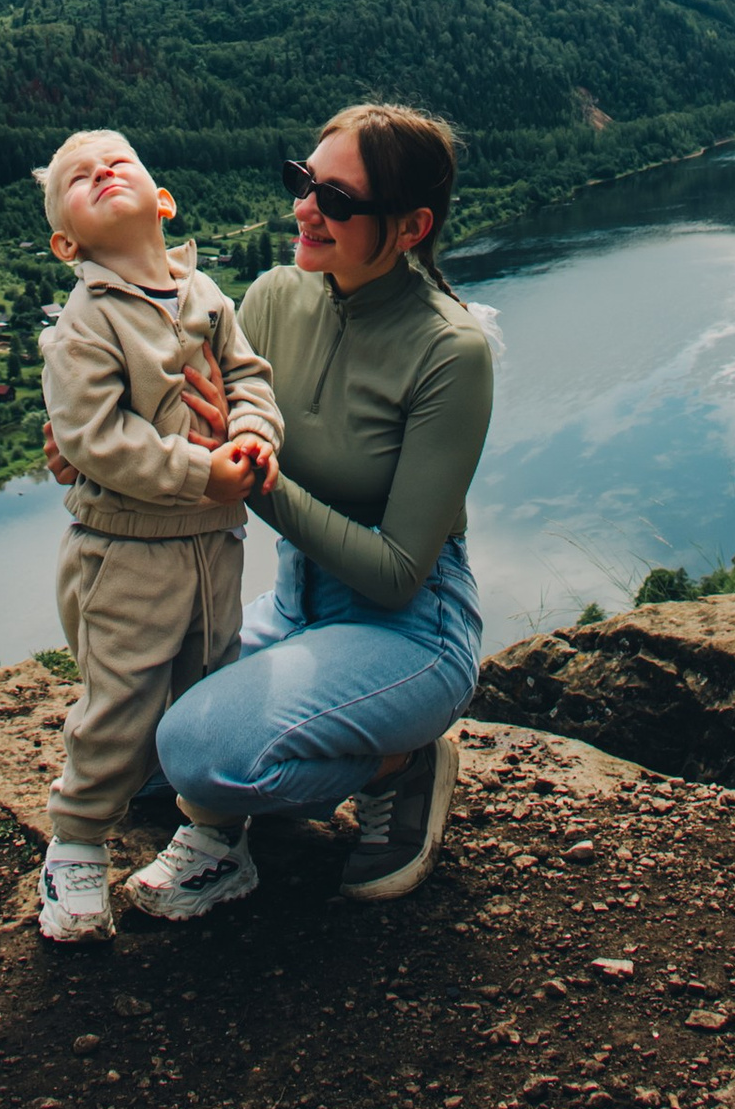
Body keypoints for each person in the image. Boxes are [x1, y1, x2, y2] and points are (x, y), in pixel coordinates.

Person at [122, 101, 493, 923]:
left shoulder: (450, 353)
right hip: (295, 610)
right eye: (304, 182)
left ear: (409, 226)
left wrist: (264, 484)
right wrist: (91, 450)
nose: (305, 209)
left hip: (408, 631)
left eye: (339, 201)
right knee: (120, 745)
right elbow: (196, 438)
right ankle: (306, 756)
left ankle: (402, 766)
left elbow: (398, 573)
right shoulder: (274, 297)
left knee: (196, 752)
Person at [30, 129, 282, 945]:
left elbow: (248, 378)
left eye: (118, 163)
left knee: (208, 689)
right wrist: (196, 470)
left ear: (162, 200)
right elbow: (94, 441)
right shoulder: (85, 325)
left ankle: (215, 839)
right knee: (122, 698)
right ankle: (74, 848)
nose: (102, 173)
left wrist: (254, 439)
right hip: (127, 551)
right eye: (77, 178)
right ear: (66, 241)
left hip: (215, 543)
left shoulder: (204, 292)